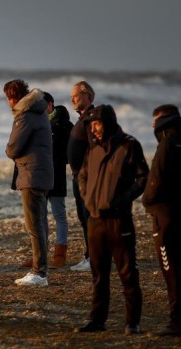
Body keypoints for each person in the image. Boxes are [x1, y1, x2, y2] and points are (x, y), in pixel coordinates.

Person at [75, 105, 148, 334]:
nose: (94, 130)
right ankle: (97, 320)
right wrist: (87, 198)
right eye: (91, 126)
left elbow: (143, 177)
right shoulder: (93, 148)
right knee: (99, 274)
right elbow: (83, 174)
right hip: (95, 221)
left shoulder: (129, 145)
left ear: (108, 123)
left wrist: (122, 200)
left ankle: (132, 322)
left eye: (97, 124)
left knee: (127, 273)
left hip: (119, 221)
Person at [142, 105, 181, 337]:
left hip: (164, 215)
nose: (151, 125)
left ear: (164, 122)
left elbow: (155, 180)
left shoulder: (168, 144)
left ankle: (177, 322)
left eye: (155, 120)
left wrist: (147, 202)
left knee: (170, 269)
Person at [3, 79, 54, 287]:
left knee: (35, 225)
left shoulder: (24, 116)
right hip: (41, 173)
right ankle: (40, 268)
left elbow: (13, 148)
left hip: (31, 174)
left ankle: (39, 272)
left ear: (12, 98)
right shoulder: (39, 111)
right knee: (40, 223)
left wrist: (8, 150)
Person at [67, 81, 96, 272]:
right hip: (79, 177)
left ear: (88, 96)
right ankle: (90, 256)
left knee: (89, 218)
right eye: (71, 97)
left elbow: (96, 148)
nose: (73, 99)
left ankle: (93, 258)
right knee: (83, 218)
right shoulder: (82, 118)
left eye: (76, 95)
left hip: (86, 178)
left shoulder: (92, 118)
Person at [43, 91, 72, 268]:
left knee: (59, 215)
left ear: (51, 104)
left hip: (57, 175)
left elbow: (72, 150)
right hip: (40, 175)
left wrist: (60, 160)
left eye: (43, 104)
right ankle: (40, 254)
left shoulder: (65, 124)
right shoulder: (37, 122)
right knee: (40, 216)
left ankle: (60, 255)